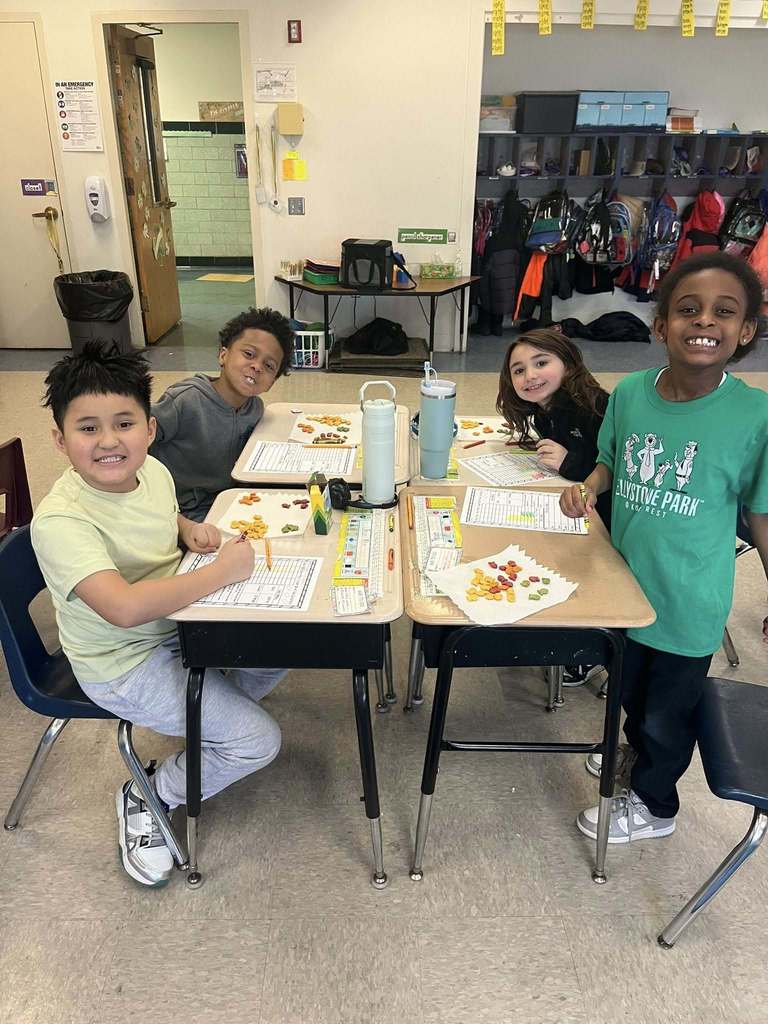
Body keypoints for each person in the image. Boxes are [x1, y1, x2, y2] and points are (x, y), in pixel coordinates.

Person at [31, 343, 285, 887]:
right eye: (88, 428)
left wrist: (184, 529)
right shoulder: (60, 521)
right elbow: (122, 609)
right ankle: (149, 792)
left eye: (124, 423)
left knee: (281, 647)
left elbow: (158, 511)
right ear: (60, 439)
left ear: (149, 429)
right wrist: (220, 572)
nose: (108, 441)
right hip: (121, 663)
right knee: (257, 741)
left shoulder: (153, 473)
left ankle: (208, 725)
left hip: (180, 623)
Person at [560, 252, 768, 844]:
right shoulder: (630, 391)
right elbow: (609, 461)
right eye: (688, 309)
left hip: (688, 602)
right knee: (630, 695)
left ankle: (656, 806)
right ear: (660, 324)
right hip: (624, 589)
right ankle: (635, 757)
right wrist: (588, 488)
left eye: (724, 313)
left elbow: (761, 511)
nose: (704, 321)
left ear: (746, 331)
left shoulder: (756, 414)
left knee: (666, 717)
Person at [497, 327, 611, 686]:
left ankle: (587, 651)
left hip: (606, 518)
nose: (530, 375)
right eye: (518, 370)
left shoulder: (594, 406)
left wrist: (569, 462)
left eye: (541, 362)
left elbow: (612, 468)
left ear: (568, 363)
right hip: (573, 502)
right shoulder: (546, 408)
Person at [150, 306, 294, 522]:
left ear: (272, 382)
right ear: (223, 355)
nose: (256, 366)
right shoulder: (186, 399)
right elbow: (135, 438)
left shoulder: (255, 409)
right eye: (249, 354)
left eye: (269, 365)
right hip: (178, 510)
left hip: (228, 501)